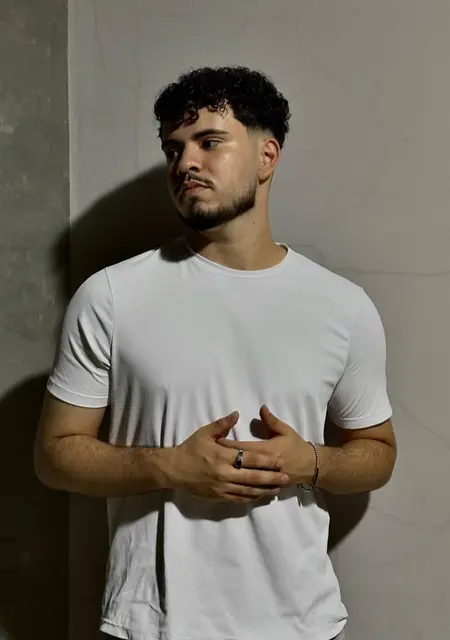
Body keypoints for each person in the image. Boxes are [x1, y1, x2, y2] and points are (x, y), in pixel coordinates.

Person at [34, 66, 396, 640]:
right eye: (173, 149)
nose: (185, 163)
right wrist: (169, 466)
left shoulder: (343, 307)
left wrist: (311, 463)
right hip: (152, 625)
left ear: (267, 156)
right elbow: (53, 456)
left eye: (209, 142)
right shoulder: (111, 296)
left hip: (301, 625)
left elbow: (377, 453)